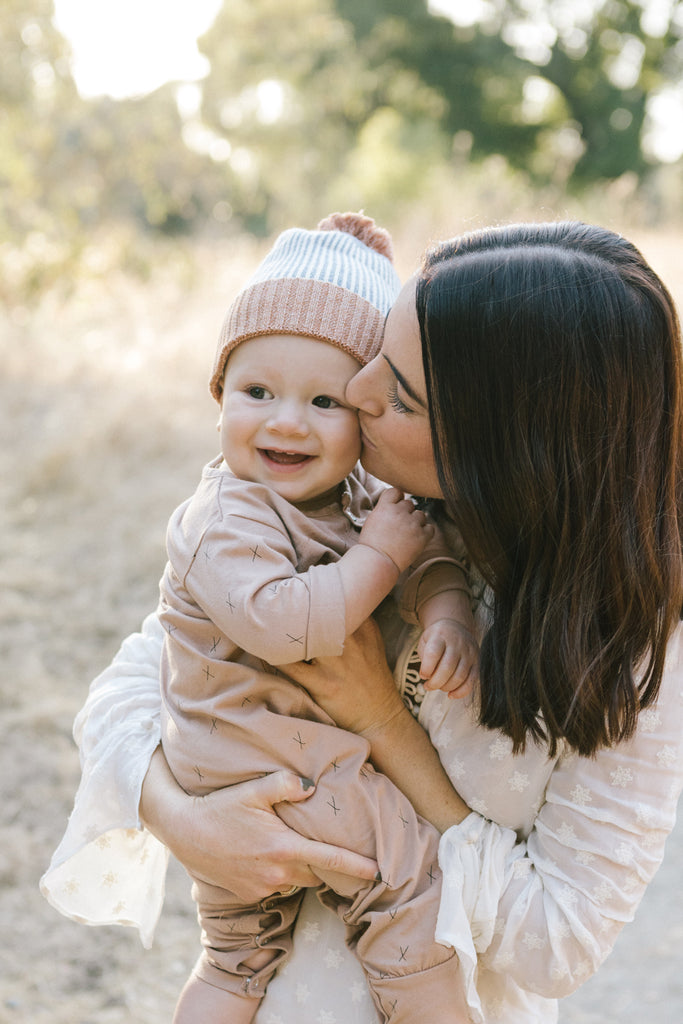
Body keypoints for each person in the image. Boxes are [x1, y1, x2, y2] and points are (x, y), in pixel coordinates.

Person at [41, 219, 683, 1024]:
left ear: (502, 447)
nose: (359, 390)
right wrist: (190, 823)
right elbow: (131, 686)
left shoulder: (626, 646)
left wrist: (381, 719)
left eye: (401, 393)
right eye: (376, 352)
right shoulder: (324, 515)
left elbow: (558, 944)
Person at [155, 212, 478, 1023]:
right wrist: (376, 559)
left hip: (268, 758)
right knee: (408, 878)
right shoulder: (225, 519)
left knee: (236, 963)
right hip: (256, 768)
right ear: (218, 395)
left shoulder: (360, 499)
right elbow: (283, 625)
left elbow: (426, 552)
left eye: (324, 400)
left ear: (365, 415)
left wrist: (446, 616)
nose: (286, 421)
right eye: (255, 391)